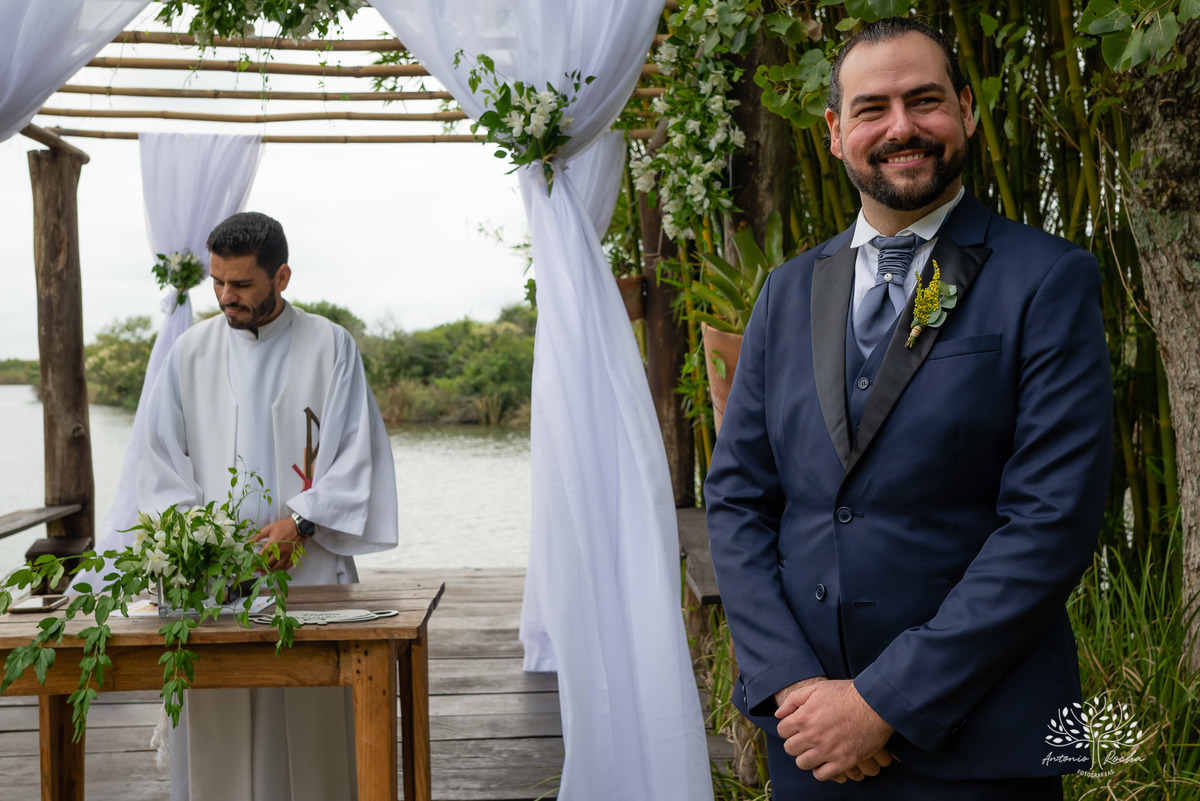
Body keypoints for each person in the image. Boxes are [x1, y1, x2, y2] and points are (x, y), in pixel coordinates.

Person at [704, 18, 1112, 800]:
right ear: (834, 131)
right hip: (811, 741)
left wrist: (881, 702)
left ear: (964, 107)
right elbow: (736, 500)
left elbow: (1050, 522)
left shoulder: (1049, 278)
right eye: (871, 108)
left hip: (981, 740)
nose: (901, 128)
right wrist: (794, 689)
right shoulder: (787, 291)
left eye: (924, 100)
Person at [137, 211, 398, 801]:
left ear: (281, 276)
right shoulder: (189, 354)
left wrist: (302, 523)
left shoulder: (331, 346)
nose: (227, 297)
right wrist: (193, 543)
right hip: (210, 584)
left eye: (243, 285)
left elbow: (358, 451)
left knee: (311, 736)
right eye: (218, 283)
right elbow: (157, 463)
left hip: (304, 570)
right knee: (217, 732)